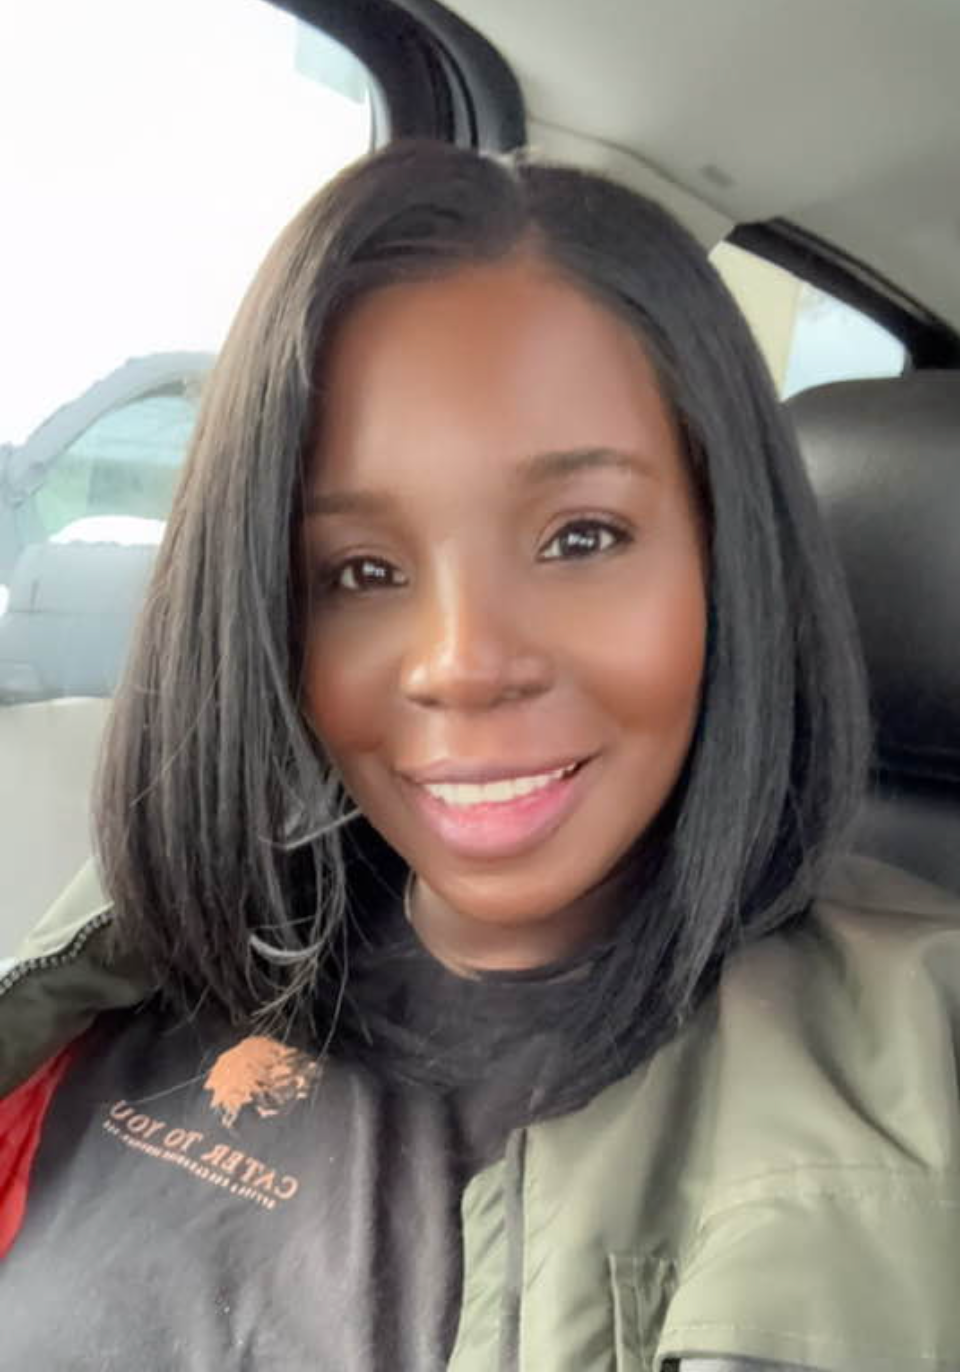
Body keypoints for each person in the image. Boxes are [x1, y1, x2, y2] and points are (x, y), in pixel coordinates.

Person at [0, 140, 958, 1371]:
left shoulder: (919, 1067)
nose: (460, 661)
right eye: (359, 571)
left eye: (580, 537)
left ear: (729, 557)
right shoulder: (144, 939)